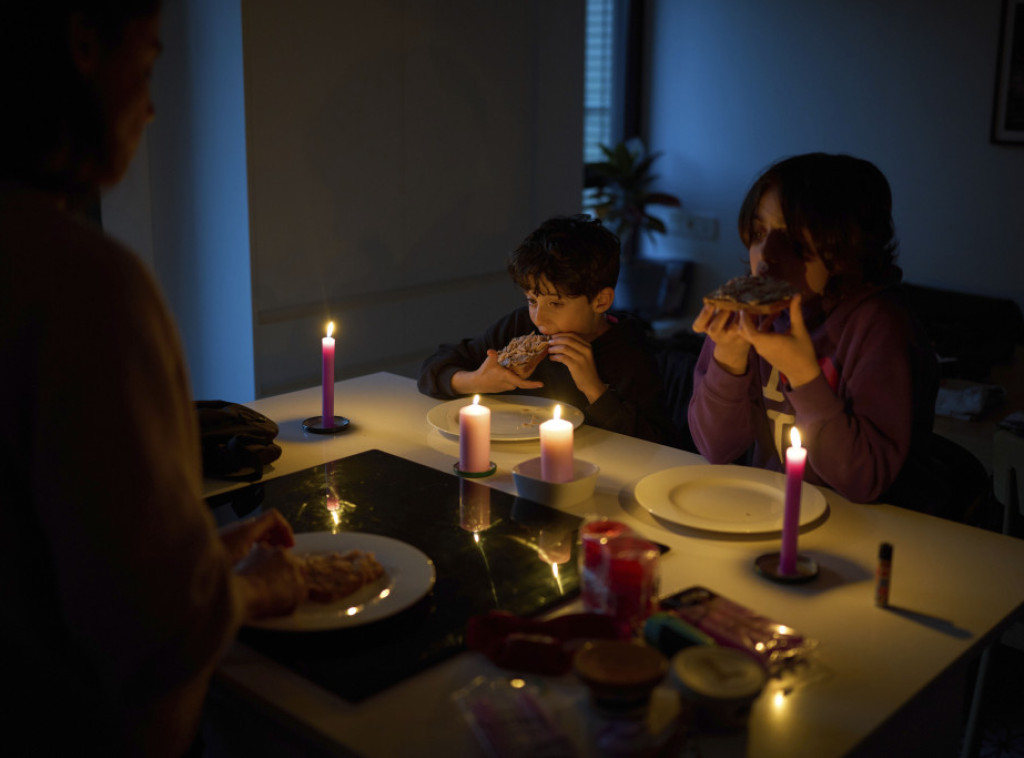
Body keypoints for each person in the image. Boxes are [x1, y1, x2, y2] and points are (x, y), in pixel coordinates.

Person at [0, 3, 306, 756]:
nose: (151, 106)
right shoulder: (82, 285)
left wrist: (198, 555)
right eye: (146, 64)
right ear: (83, 44)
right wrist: (250, 588)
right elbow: (154, 629)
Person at [688, 153, 939, 509]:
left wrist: (804, 375)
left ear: (848, 248)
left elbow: (864, 482)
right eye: (758, 233)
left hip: (866, 527)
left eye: (793, 240)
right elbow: (715, 448)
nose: (765, 255)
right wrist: (728, 360)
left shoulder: (880, 325)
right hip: (770, 511)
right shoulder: (753, 316)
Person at [418, 214, 675, 445]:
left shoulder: (630, 354)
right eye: (532, 300)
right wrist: (475, 380)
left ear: (601, 301)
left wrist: (594, 389)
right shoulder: (520, 326)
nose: (539, 318)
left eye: (555, 303)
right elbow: (432, 370)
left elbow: (657, 445)